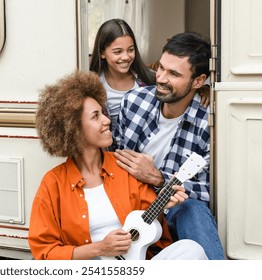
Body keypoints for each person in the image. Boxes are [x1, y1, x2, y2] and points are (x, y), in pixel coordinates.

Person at [28, 71, 207, 260]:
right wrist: (100, 248)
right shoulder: (53, 183)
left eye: (103, 113)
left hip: (136, 264)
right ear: (74, 129)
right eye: (96, 116)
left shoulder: (125, 165)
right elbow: (45, 252)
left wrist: (161, 205)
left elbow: (151, 229)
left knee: (191, 249)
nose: (107, 120)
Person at [113, 32, 225, 260]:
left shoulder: (209, 123)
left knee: (192, 210)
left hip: (173, 207)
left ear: (198, 81)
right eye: (161, 68)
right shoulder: (133, 102)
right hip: (132, 201)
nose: (161, 78)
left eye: (173, 73)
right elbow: (114, 158)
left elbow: (209, 190)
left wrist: (159, 178)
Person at [89, 18, 209, 133]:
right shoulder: (91, 86)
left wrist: (203, 89)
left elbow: (180, 88)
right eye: (118, 52)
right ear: (102, 53)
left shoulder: (150, 78)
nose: (126, 57)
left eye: (130, 50)